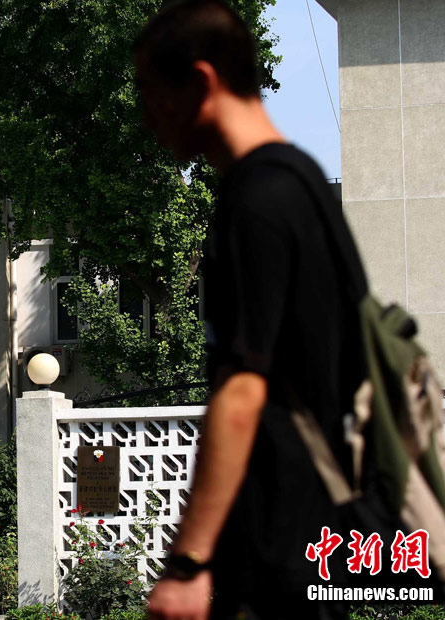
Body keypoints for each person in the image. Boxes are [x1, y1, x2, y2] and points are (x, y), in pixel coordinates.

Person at [134, 1, 365, 618]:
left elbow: (243, 389)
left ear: (202, 81)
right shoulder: (303, 183)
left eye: (153, 95)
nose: (150, 120)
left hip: (278, 543)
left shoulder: (257, 201)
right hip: (321, 537)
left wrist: (188, 562)